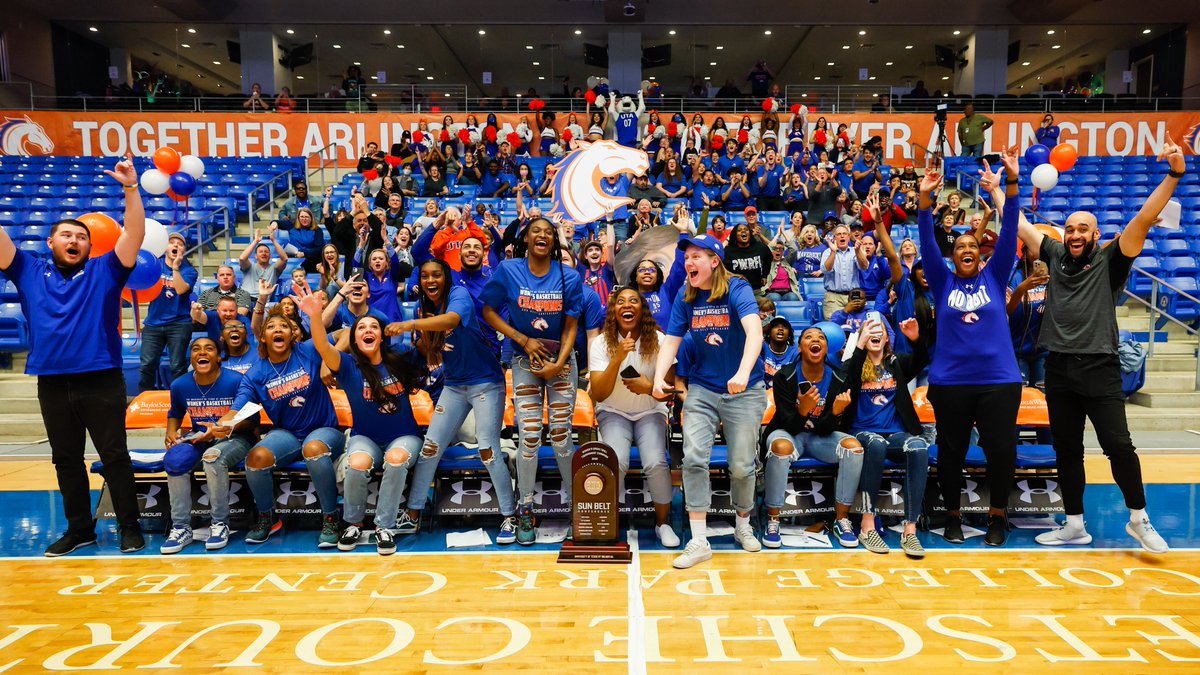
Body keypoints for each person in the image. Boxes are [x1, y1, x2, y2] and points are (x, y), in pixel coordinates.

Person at [1018, 138, 1186, 554]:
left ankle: (1138, 519)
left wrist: (1175, 173)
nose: (1075, 235)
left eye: (1083, 229)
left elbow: (1145, 218)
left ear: (1097, 234)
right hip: (1057, 367)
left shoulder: (1114, 258)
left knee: (1118, 446)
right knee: (1067, 449)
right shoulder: (1055, 252)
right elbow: (1018, 225)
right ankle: (1074, 524)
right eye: (1070, 228)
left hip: (1099, 368)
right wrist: (999, 188)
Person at [0, 154, 146, 557]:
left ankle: (130, 527)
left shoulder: (107, 269)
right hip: (51, 381)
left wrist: (131, 187)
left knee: (114, 456)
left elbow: (134, 233)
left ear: (89, 244)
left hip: (100, 378)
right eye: (66, 235)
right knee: (65, 459)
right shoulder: (28, 269)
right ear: (51, 243)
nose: (74, 240)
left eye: (81, 236)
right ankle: (80, 529)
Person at [918, 157, 1022, 546]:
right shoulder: (942, 281)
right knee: (951, 453)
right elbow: (927, 241)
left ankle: (997, 517)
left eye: (972, 245)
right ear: (953, 255)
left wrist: (1011, 182)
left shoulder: (995, 276)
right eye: (959, 245)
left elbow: (1010, 228)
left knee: (1000, 451)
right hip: (950, 383)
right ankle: (953, 516)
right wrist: (925, 198)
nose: (965, 248)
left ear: (981, 254)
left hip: (999, 382)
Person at [654, 233, 767, 568]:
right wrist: (661, 376)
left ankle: (743, 525)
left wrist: (744, 372)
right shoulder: (685, 296)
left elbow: (754, 331)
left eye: (696, 257)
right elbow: (672, 341)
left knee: (742, 466)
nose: (688, 262)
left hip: (744, 388)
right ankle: (699, 539)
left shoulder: (738, 288)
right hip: (702, 388)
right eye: (686, 257)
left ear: (715, 261)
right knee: (693, 458)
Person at [396, 258, 519, 544]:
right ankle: (412, 514)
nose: (430, 281)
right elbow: (428, 352)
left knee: (487, 448)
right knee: (430, 448)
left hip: (486, 382)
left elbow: (452, 321)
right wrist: (428, 343)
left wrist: (411, 324)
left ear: (446, 277)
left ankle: (510, 516)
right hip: (454, 385)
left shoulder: (459, 295)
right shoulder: (424, 308)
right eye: (424, 276)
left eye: (436, 275)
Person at [294, 286, 424, 555]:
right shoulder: (347, 365)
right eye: (361, 327)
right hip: (366, 437)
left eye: (373, 327)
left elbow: (426, 348)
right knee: (356, 463)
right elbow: (321, 344)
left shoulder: (399, 358)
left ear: (381, 335)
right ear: (354, 337)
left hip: (405, 436)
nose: (367, 330)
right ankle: (353, 523)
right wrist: (315, 316)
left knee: (397, 460)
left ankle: (384, 527)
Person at [481, 218, 583, 544]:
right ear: (525, 238)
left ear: (555, 241)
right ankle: (525, 508)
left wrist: (559, 363)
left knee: (562, 435)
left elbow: (570, 326)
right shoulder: (509, 270)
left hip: (560, 360)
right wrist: (522, 340)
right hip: (524, 359)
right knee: (528, 436)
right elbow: (488, 311)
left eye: (548, 232)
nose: (542, 236)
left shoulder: (569, 276)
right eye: (535, 231)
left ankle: (576, 508)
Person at [218, 309, 346, 548]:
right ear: (263, 337)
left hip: (324, 429)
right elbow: (237, 409)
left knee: (314, 448)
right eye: (271, 327)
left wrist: (329, 362)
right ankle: (267, 517)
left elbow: (346, 333)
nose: (278, 329)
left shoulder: (307, 350)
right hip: (286, 434)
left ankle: (331, 517)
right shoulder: (256, 373)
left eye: (284, 326)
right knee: (256, 457)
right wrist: (221, 425)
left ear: (291, 335)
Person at [589, 288, 680, 546]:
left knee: (655, 461)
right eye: (620, 301)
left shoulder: (660, 340)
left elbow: (669, 391)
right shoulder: (600, 343)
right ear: (613, 311)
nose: (627, 305)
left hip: (650, 410)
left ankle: (663, 523)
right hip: (613, 410)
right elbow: (599, 393)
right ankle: (610, 521)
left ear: (643, 310)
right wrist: (617, 358)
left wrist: (649, 387)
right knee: (616, 460)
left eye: (633, 300)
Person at [762, 327, 863, 548]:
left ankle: (841, 520)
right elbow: (788, 424)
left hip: (819, 438)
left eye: (821, 338)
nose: (815, 340)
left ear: (826, 349)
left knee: (853, 447)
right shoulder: (784, 376)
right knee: (780, 447)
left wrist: (835, 413)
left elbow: (826, 429)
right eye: (808, 337)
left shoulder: (838, 378)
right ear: (800, 347)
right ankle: (773, 520)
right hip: (789, 433)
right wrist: (803, 411)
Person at [840, 316, 929, 557]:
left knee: (919, 446)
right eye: (869, 331)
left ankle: (910, 530)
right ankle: (867, 525)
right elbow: (845, 382)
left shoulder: (896, 363)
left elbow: (923, 359)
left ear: (887, 338)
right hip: (861, 432)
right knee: (876, 444)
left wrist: (915, 339)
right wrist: (859, 345)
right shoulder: (852, 365)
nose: (875, 335)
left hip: (895, 433)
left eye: (880, 331)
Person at [159, 338, 256, 554]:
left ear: (219, 357)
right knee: (174, 459)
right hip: (198, 437)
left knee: (212, 456)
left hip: (236, 437)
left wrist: (226, 427)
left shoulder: (237, 380)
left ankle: (220, 523)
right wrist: (170, 432)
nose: (202, 352)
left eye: (209, 348)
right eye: (196, 349)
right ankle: (181, 527)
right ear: (191, 358)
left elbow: (252, 421)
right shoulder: (180, 385)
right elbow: (174, 414)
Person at [139, 233, 196, 391]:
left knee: (177, 367)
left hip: (179, 324)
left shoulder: (189, 271)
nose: (176, 245)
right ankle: (145, 401)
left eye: (180, 244)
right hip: (153, 323)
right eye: (172, 242)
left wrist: (176, 268)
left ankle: (179, 402)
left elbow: (181, 289)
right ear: (165, 247)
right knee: (147, 365)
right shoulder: (154, 265)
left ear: (184, 250)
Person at [1008, 256, 1051, 387]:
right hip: (1018, 351)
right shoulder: (1015, 277)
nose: (1038, 250)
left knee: (1044, 400)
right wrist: (1022, 289)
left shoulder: (1055, 277)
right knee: (1021, 400)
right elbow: (1007, 311)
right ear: (1025, 251)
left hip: (1045, 352)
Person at [821, 224, 869, 320]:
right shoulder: (828, 252)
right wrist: (833, 252)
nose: (842, 236)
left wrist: (858, 251)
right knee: (834, 327)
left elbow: (864, 266)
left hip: (853, 297)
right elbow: (826, 269)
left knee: (856, 327)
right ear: (834, 238)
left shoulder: (855, 251)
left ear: (848, 237)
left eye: (844, 234)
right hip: (833, 297)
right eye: (839, 234)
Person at [238, 227, 288, 300]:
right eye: (260, 252)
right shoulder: (249, 266)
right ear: (256, 256)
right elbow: (242, 258)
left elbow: (284, 259)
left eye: (266, 252)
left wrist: (273, 240)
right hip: (245, 298)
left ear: (270, 256)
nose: (264, 253)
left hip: (263, 300)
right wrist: (255, 241)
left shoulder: (275, 268)